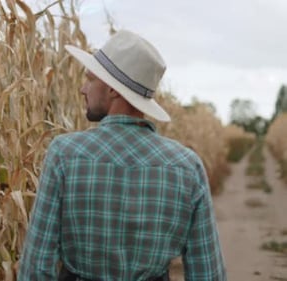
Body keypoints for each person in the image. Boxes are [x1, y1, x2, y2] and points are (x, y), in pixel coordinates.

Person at [17, 29, 227, 280]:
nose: (84, 88)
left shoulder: (64, 155)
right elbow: (207, 271)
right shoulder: (186, 166)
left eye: (91, 79)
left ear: (113, 90)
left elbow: (37, 266)